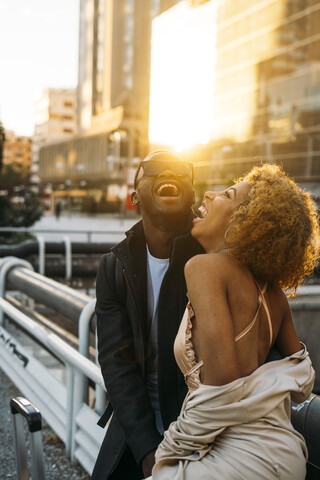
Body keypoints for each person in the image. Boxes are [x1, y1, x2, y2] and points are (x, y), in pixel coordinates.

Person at [148, 164, 319, 480]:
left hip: (239, 461)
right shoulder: (275, 296)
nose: (209, 194)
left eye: (226, 194)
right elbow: (304, 378)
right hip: (286, 454)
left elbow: (222, 384)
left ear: (244, 222)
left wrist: (169, 449)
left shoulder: (204, 269)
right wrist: (265, 384)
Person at [91, 150, 204, 480]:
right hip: (135, 430)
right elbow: (116, 362)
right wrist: (146, 449)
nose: (168, 169)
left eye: (182, 169)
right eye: (153, 168)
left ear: (193, 194)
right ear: (134, 196)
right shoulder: (114, 267)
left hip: (202, 433)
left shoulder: (215, 258)